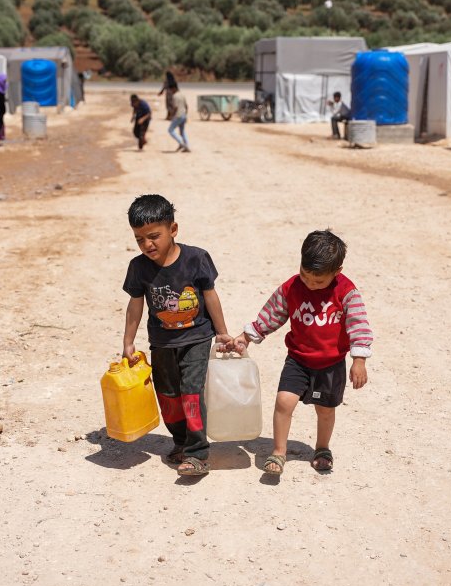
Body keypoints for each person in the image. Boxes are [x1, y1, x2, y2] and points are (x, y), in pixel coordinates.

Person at [229, 230, 373, 476]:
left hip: (330, 363)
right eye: (305, 275)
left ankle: (322, 448)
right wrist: (247, 337)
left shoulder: (346, 291)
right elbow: (272, 314)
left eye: (318, 281)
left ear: (337, 272)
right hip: (298, 358)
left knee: (325, 409)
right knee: (284, 401)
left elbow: (358, 324)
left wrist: (359, 360)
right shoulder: (292, 287)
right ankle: (278, 451)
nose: (310, 283)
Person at [122, 194, 234, 476]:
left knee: (191, 393)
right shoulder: (138, 268)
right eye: (139, 239)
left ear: (173, 229)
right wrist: (128, 341)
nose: (147, 244)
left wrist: (222, 333)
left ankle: (198, 453)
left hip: (196, 338)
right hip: (161, 343)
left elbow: (210, 296)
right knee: (168, 397)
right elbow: (135, 305)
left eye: (154, 236)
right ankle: (181, 441)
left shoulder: (197, 258)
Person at [166, 85, 190, 153]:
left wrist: (172, 115)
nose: (171, 92)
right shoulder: (182, 95)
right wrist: (185, 115)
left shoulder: (175, 96)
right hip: (183, 115)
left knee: (170, 130)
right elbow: (186, 106)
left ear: (174, 88)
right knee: (182, 132)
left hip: (178, 116)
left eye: (171, 90)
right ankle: (187, 146)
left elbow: (175, 107)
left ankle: (181, 143)